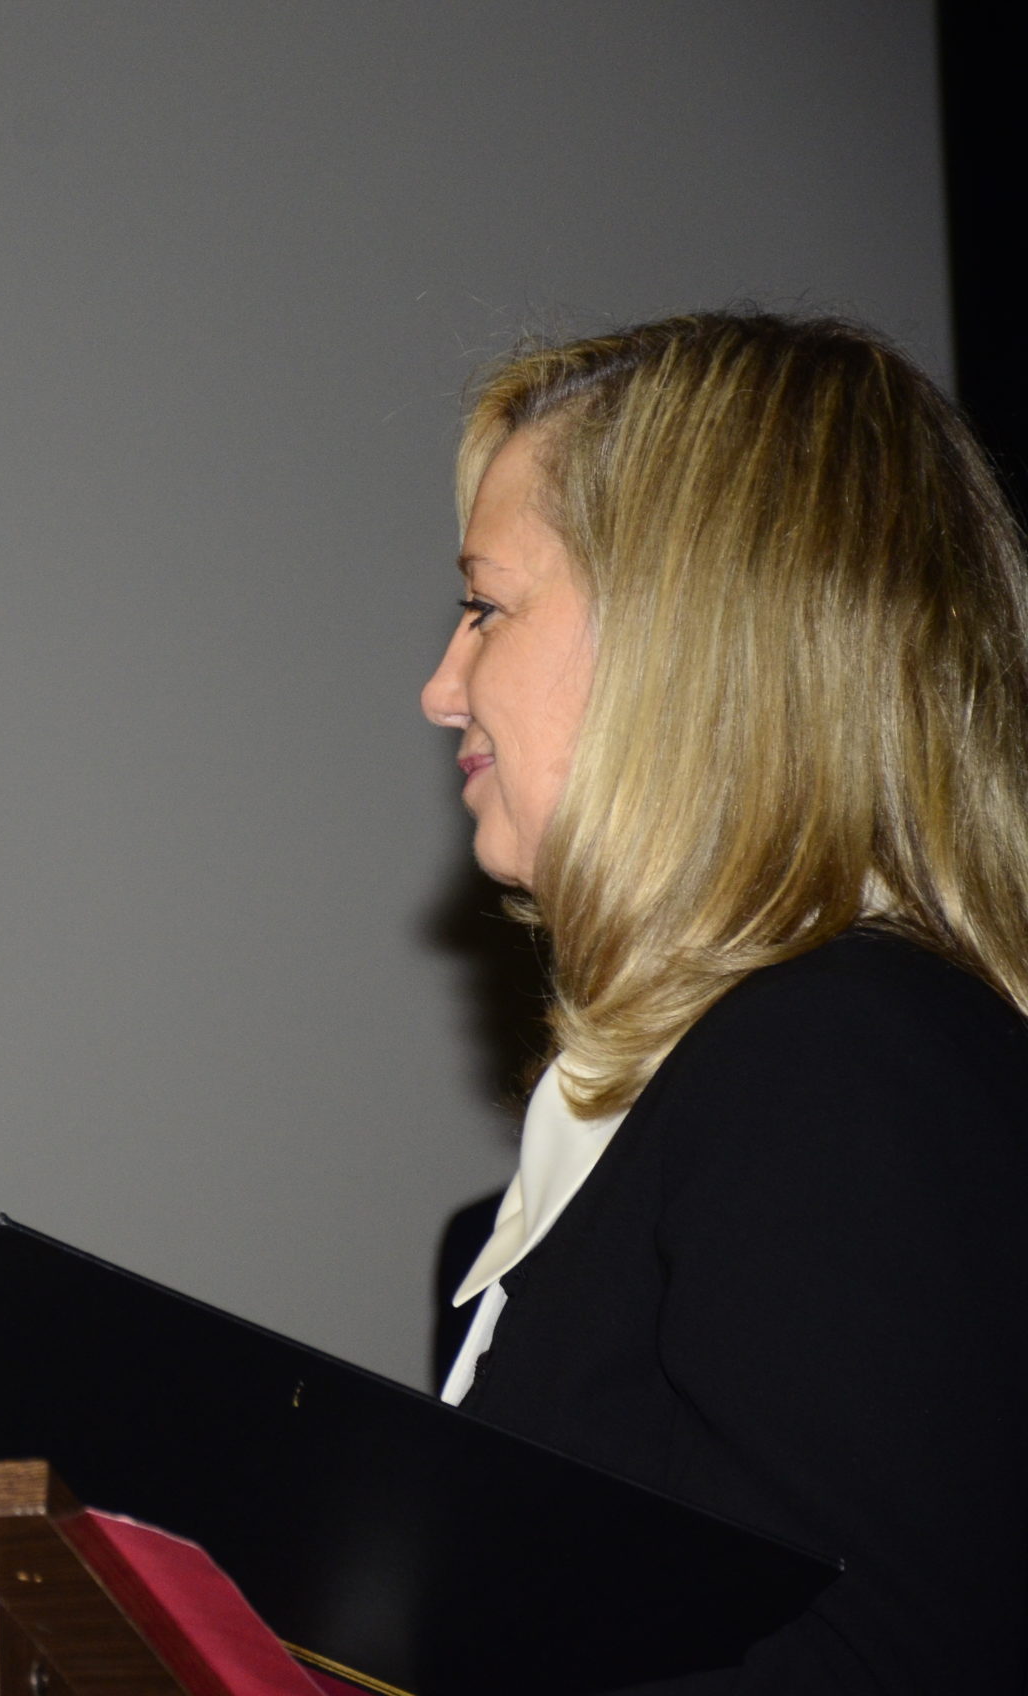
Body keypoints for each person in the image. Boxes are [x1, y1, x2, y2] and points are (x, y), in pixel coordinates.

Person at [422, 311, 1028, 1691]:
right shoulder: (765, 1063)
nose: (441, 685)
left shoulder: (838, 1059)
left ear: (681, 632)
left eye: (487, 606)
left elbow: (891, 1661)